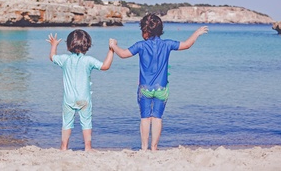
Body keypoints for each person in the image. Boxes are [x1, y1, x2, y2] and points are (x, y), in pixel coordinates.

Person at [109, 13, 208, 151]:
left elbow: (123, 54)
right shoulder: (167, 44)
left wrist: (113, 46)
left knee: (145, 118)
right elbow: (186, 45)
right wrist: (197, 33)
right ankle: (154, 147)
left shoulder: (141, 46)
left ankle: (144, 148)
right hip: (162, 89)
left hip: (145, 89)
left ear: (145, 31)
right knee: (157, 118)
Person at [47, 29, 114, 151]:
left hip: (69, 98)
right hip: (84, 98)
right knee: (86, 122)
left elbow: (52, 57)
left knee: (67, 123)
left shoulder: (65, 59)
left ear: (68, 45)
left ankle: (64, 146)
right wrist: (111, 50)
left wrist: (54, 45)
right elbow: (105, 66)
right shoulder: (88, 60)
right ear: (87, 45)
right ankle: (88, 147)